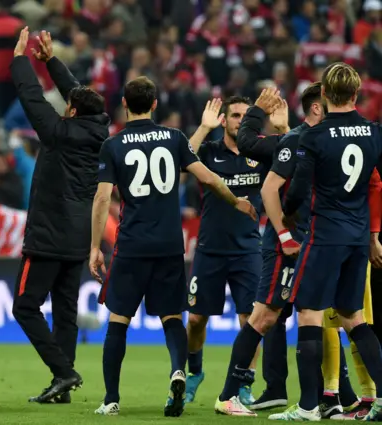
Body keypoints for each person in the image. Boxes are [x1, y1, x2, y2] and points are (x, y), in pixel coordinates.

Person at [89, 75, 257, 417]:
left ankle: (110, 398)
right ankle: (179, 371)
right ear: (154, 104)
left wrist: (95, 247)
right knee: (171, 317)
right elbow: (208, 177)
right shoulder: (173, 138)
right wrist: (236, 200)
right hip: (169, 245)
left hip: (132, 244)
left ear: (124, 103)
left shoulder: (113, 144)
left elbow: (103, 196)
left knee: (118, 320)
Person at [274, 62, 382, 421]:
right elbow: (375, 184)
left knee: (308, 312)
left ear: (323, 94)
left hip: (324, 236)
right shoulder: (373, 133)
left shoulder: (314, 136)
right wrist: (373, 234)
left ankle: (307, 406)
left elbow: (299, 191)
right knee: (353, 316)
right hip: (357, 238)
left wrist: (287, 216)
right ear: (356, 94)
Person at [10, 28, 110, 403]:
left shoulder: (59, 133)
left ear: (69, 110)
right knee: (65, 312)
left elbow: (31, 97)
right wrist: (51, 61)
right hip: (78, 237)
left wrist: (22, 60)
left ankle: (64, 372)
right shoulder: (100, 129)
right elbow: (81, 96)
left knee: (24, 306)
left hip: (48, 235)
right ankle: (61, 388)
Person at [213, 83, 323, 416]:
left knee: (312, 316)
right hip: (285, 243)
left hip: (313, 239)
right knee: (263, 317)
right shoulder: (295, 140)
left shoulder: (317, 140)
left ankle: (314, 402)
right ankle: (228, 395)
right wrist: (257, 112)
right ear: (318, 107)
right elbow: (249, 144)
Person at [182, 95, 269, 405]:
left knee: (250, 320)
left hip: (248, 250)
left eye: (245, 116)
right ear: (224, 120)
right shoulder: (208, 152)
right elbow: (179, 166)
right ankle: (194, 372)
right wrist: (204, 129)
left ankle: (244, 383)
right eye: (234, 115)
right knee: (195, 320)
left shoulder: (261, 153)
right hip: (209, 249)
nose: (239, 121)